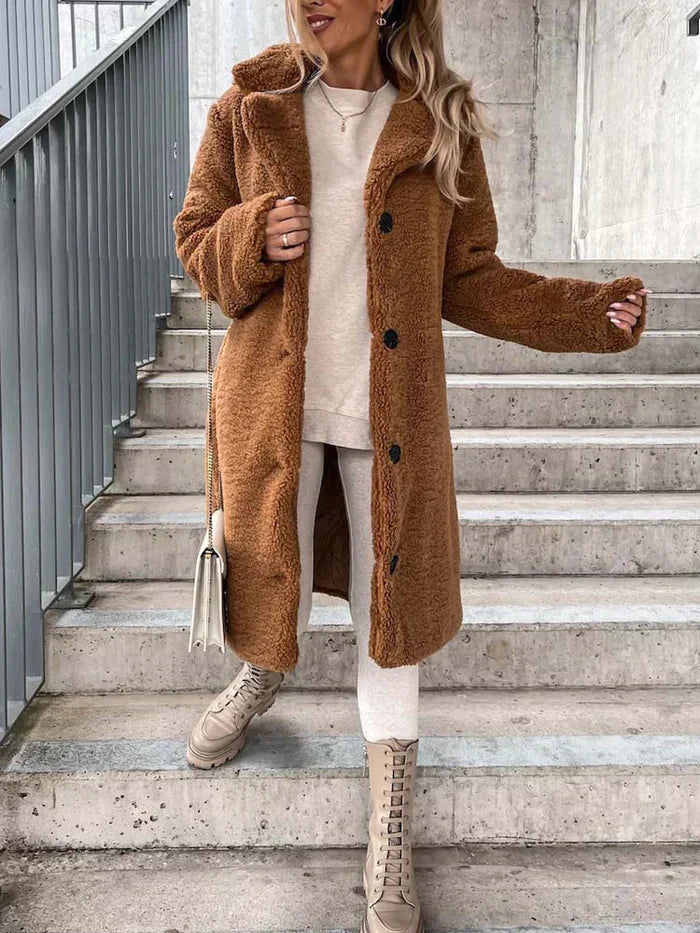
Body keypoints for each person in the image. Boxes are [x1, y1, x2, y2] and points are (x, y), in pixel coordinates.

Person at [173, 3, 648, 930]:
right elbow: (196, 237)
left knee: (389, 615)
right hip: (271, 405)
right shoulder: (248, 105)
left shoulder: (440, 121)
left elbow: (471, 277)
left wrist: (586, 314)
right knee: (277, 575)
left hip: (390, 414)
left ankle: (389, 822)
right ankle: (261, 673)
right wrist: (249, 237)